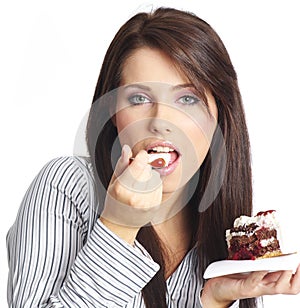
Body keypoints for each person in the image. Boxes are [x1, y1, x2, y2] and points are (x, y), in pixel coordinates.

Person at [6, 7, 300, 308]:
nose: (162, 120)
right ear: (114, 114)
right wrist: (118, 226)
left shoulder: (225, 243)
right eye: (139, 99)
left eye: (187, 99)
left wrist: (213, 301)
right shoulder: (67, 187)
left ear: (218, 118)